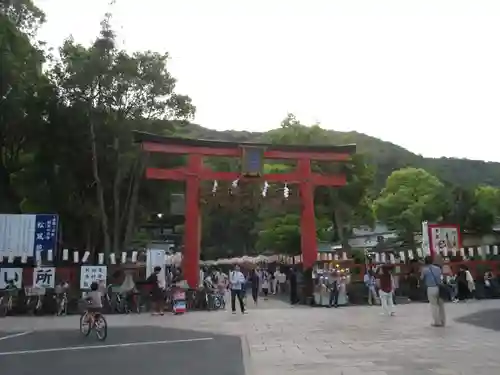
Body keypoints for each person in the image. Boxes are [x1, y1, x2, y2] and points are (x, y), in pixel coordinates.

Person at [421, 256, 446, 327]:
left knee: (434, 305)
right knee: (441, 305)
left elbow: (422, 278)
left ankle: (437, 322)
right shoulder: (438, 268)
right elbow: (441, 277)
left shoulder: (425, 269)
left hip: (431, 288)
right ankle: (443, 321)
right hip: (439, 287)